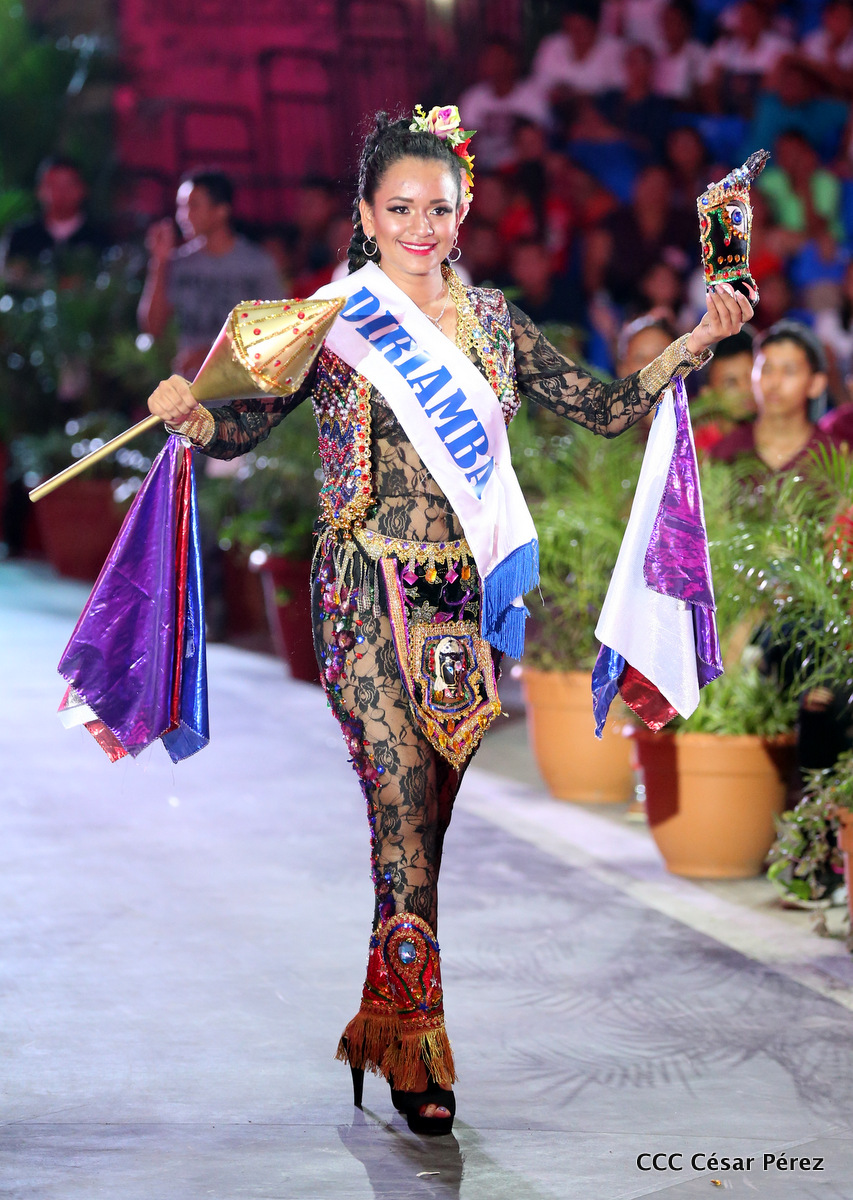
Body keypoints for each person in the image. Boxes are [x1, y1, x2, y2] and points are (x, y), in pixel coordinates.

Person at [145, 107, 750, 1135]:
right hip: (359, 587)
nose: (419, 228)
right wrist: (193, 415)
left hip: (459, 606)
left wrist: (698, 338)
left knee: (423, 828)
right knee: (397, 811)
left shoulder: (497, 323)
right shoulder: (333, 318)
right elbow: (245, 424)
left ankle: (385, 1017)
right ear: (364, 216)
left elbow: (604, 408)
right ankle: (421, 1051)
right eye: (399, 209)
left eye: (438, 209)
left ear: (462, 214)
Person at [138, 169, 283, 379]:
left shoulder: (256, 264)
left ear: (221, 211)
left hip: (241, 386)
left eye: (193, 206)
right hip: (188, 385)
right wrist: (159, 262)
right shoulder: (179, 263)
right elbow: (152, 328)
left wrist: (209, 353)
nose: (183, 216)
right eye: (181, 207)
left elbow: (276, 329)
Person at [0, 156, 108, 286]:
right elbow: (6, 276)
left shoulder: (101, 237)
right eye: (53, 185)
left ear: (83, 189)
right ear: (39, 191)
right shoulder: (20, 236)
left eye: (68, 185)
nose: (61, 193)